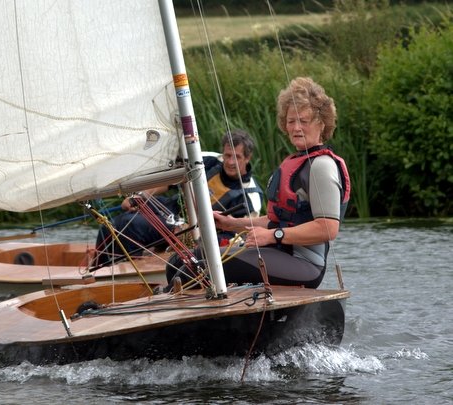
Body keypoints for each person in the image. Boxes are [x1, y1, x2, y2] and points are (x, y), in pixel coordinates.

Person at [209, 77, 350, 289]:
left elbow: (328, 228)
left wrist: (272, 236)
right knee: (190, 259)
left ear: (321, 124)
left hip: (305, 265)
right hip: (281, 254)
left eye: (303, 121)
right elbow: (278, 220)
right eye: (291, 121)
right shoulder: (297, 162)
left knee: (200, 265)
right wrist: (231, 223)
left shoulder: (321, 166)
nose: (296, 127)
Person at [92, 129, 263, 267]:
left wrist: (192, 235)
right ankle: (99, 269)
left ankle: (127, 270)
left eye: (237, 157)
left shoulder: (251, 197)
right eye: (227, 155)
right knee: (112, 224)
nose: (230, 162)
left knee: (131, 225)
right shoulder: (209, 161)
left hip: (190, 230)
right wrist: (141, 195)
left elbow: (240, 239)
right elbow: (169, 181)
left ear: (248, 158)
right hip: (173, 208)